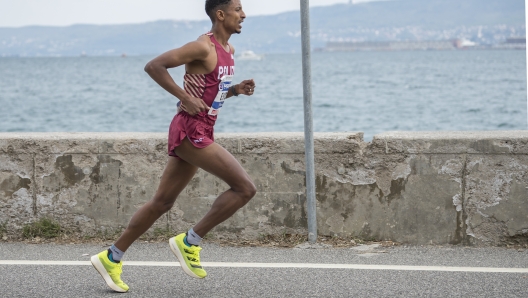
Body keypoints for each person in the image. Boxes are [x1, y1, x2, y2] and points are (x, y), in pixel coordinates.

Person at [91, 0, 256, 292]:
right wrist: (183, 96)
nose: (243, 15)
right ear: (221, 14)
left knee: (162, 202)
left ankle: (111, 257)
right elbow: (154, 66)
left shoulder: (228, 51)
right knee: (244, 189)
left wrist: (234, 91)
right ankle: (189, 241)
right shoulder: (202, 47)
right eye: (238, 9)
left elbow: (208, 96)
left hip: (202, 128)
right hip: (191, 131)